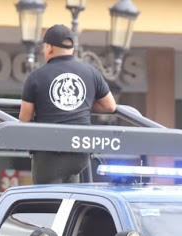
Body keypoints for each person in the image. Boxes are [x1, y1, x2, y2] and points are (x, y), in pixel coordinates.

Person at [19, 24, 117, 184]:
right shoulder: (91, 72)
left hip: (49, 153)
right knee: (70, 200)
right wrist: (81, 106)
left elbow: (24, 119)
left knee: (47, 202)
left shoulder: (36, 77)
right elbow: (110, 106)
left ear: (49, 48)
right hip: (80, 153)